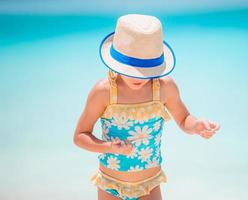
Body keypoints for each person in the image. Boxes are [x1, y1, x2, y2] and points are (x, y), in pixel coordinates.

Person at [73, 14, 221, 200]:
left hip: (149, 185)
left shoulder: (164, 88)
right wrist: (110, 147)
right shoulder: (104, 92)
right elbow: (80, 136)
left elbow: (184, 119)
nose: (138, 77)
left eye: (146, 71)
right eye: (132, 70)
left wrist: (197, 125)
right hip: (111, 184)